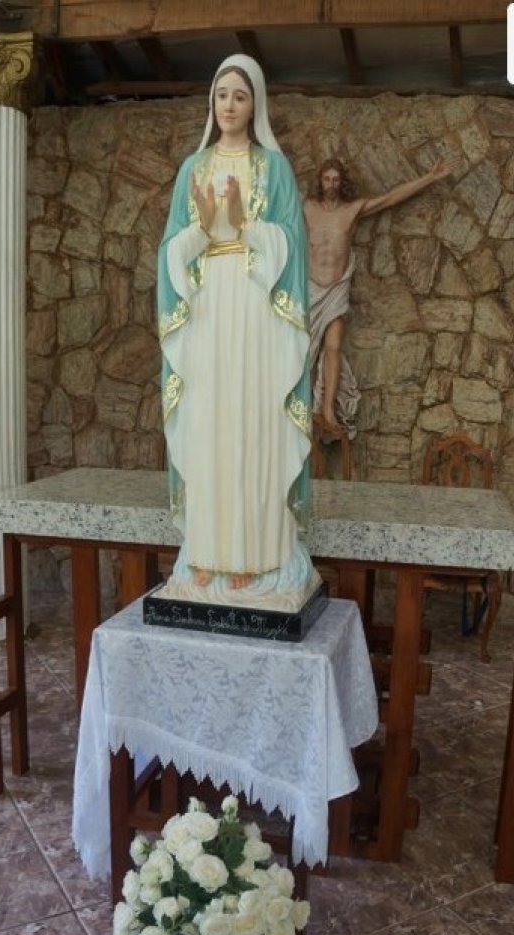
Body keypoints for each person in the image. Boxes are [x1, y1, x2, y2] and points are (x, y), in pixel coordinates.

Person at [156, 54, 320, 613]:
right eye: (222, 94)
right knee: (209, 425)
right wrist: (201, 230)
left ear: (256, 105)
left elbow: (292, 243)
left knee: (253, 424)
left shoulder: (274, 168)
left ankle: (260, 555)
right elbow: (171, 249)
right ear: (212, 100)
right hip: (207, 311)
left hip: (255, 308)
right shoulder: (193, 167)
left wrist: (245, 224)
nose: (229, 105)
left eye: (240, 96)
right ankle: (206, 553)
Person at [304, 156, 457, 439]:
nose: (331, 184)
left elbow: (390, 199)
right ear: (320, 181)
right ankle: (299, 410)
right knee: (302, 353)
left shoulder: (352, 210)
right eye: (327, 179)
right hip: (311, 289)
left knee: (334, 346)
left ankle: (327, 411)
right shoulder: (307, 208)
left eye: (336, 179)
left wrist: (430, 177)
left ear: (341, 182)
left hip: (336, 289)